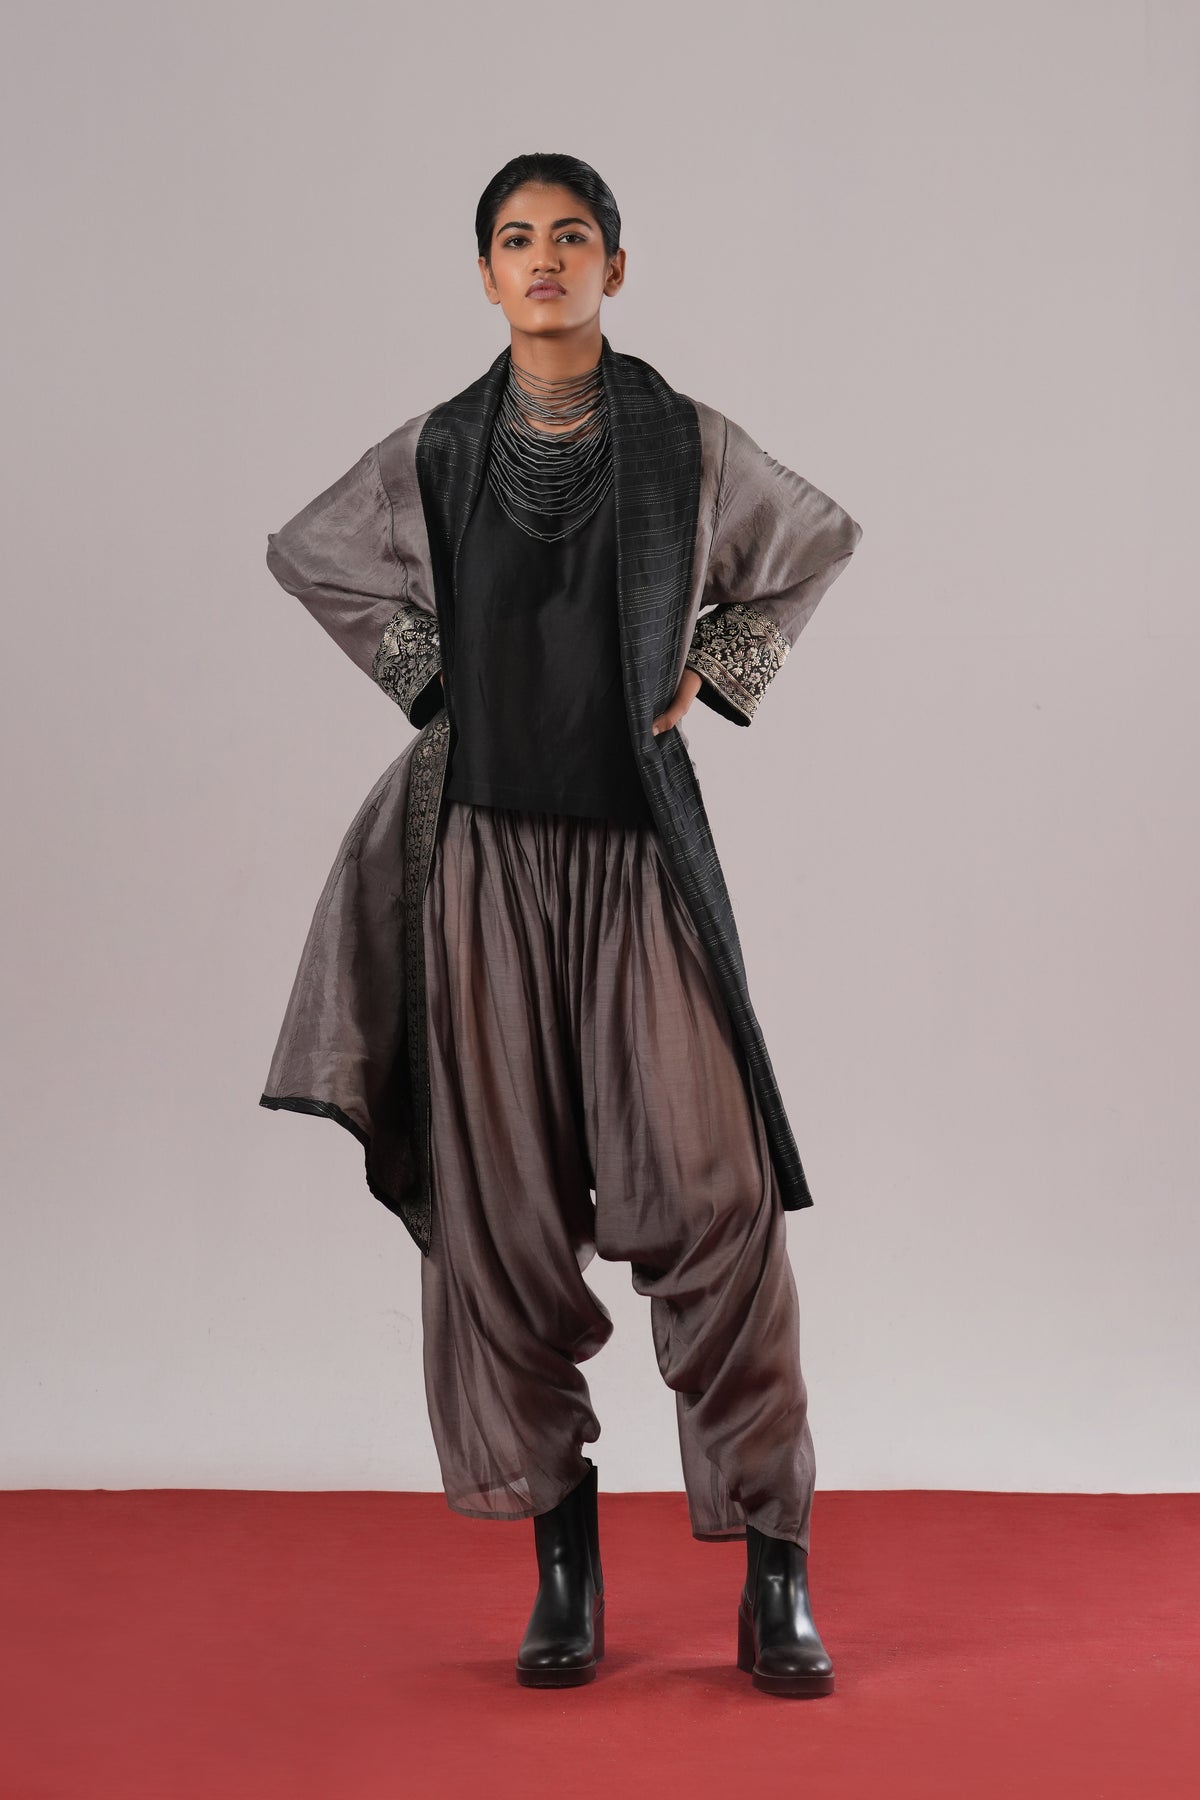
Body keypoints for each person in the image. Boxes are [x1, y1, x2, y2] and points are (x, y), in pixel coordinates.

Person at [260, 152, 863, 1698]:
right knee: (505, 1218)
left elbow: (813, 537)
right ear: (486, 276)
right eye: (517, 240)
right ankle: (564, 1562)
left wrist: (717, 666)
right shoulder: (442, 448)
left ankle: (776, 1564)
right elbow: (309, 548)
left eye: (571, 236)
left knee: (715, 1198)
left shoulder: (685, 439)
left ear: (614, 266)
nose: (544, 259)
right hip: (480, 866)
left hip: (636, 861)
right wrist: (426, 677)